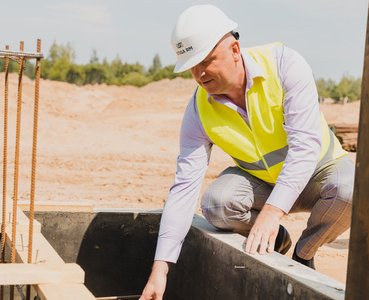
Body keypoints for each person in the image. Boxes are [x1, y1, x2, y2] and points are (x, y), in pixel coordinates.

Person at [140, 4, 355, 300]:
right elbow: (184, 187)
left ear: (235, 49)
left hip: (318, 172)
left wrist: (272, 212)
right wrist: (160, 268)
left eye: (205, 60)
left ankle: (304, 253)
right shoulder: (199, 110)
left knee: (352, 190)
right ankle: (276, 241)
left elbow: (305, 148)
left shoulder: (284, 66)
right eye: (191, 65)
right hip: (261, 182)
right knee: (217, 204)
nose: (199, 73)